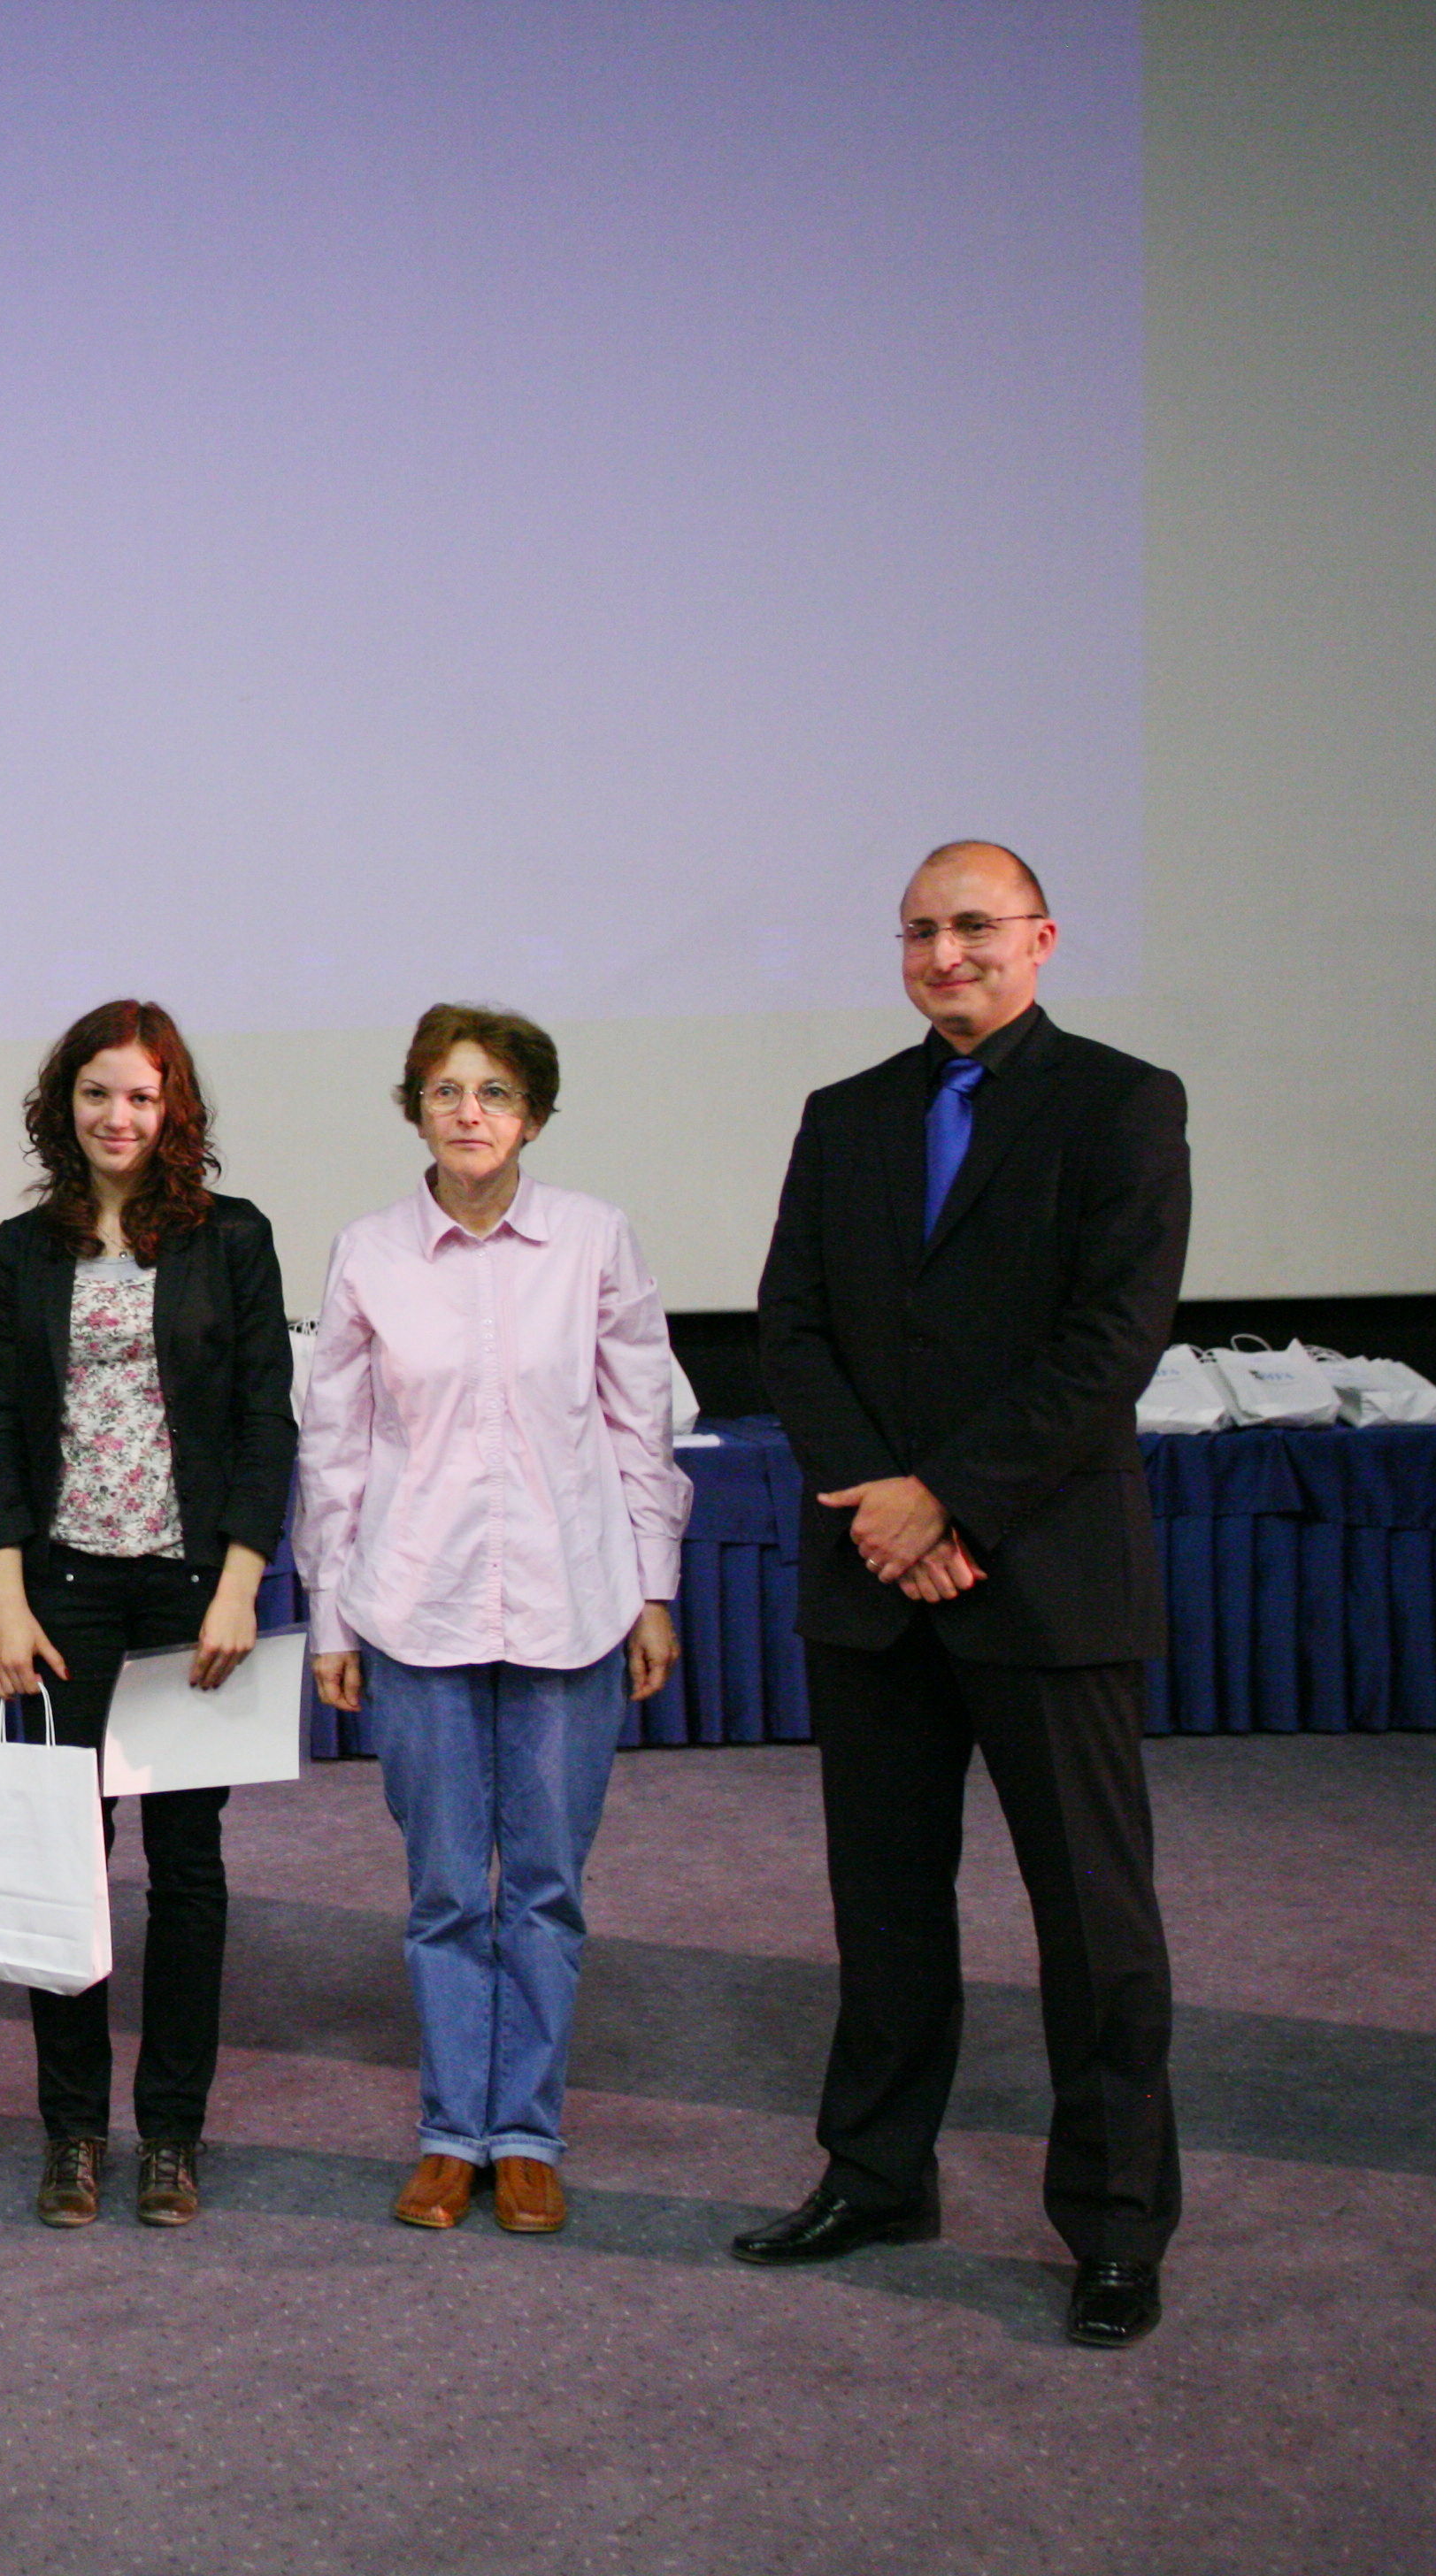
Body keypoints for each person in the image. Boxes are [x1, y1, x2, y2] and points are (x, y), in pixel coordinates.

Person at [733, 840, 1190, 2351]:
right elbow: (792, 1326)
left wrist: (951, 1500)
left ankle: (1115, 2227)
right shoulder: (847, 1113)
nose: (945, 954)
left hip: (1044, 1578)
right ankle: (877, 2177)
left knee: (1096, 1926)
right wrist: (886, 1503)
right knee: (884, 1913)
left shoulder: (1124, 1103)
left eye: (975, 926)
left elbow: (1112, 1340)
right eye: (921, 930)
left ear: (1043, 938)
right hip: (876, 1580)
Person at [295, 1004, 687, 2240]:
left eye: (497, 1093)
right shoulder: (369, 1253)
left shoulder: (594, 1240)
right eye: (447, 1091)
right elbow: (335, 1447)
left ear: (536, 1116)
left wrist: (655, 1589)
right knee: (447, 1891)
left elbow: (639, 1425)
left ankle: (526, 2134)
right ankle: (449, 2132)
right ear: (415, 1108)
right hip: (415, 1607)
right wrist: (329, 1619)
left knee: (548, 1889)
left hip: (576, 1603)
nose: (471, 1113)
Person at [0, 1000, 296, 2230]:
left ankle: (170, 2136)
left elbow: (266, 1417)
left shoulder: (233, 1237)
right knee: (65, 1865)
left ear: (175, 1112)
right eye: (98, 1093)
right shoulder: (21, 1251)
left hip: (190, 1595)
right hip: (64, 1596)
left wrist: (241, 1582)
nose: (119, 1117)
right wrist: (5, 1597)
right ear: (65, 1105)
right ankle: (71, 2134)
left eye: (143, 1097)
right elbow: (4, 1429)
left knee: (187, 1871)